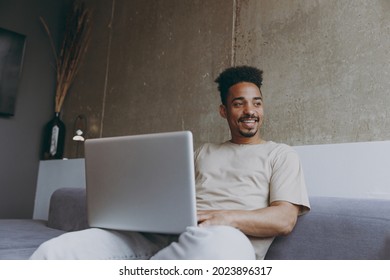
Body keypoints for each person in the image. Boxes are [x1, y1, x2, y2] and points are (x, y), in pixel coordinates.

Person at [30, 65, 310, 260]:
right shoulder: (201, 152)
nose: (250, 110)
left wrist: (223, 218)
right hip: (167, 236)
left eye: (257, 103)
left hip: (223, 239)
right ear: (224, 111)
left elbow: (284, 219)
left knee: (221, 246)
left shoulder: (280, 154)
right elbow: (171, 198)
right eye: (239, 103)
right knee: (59, 251)